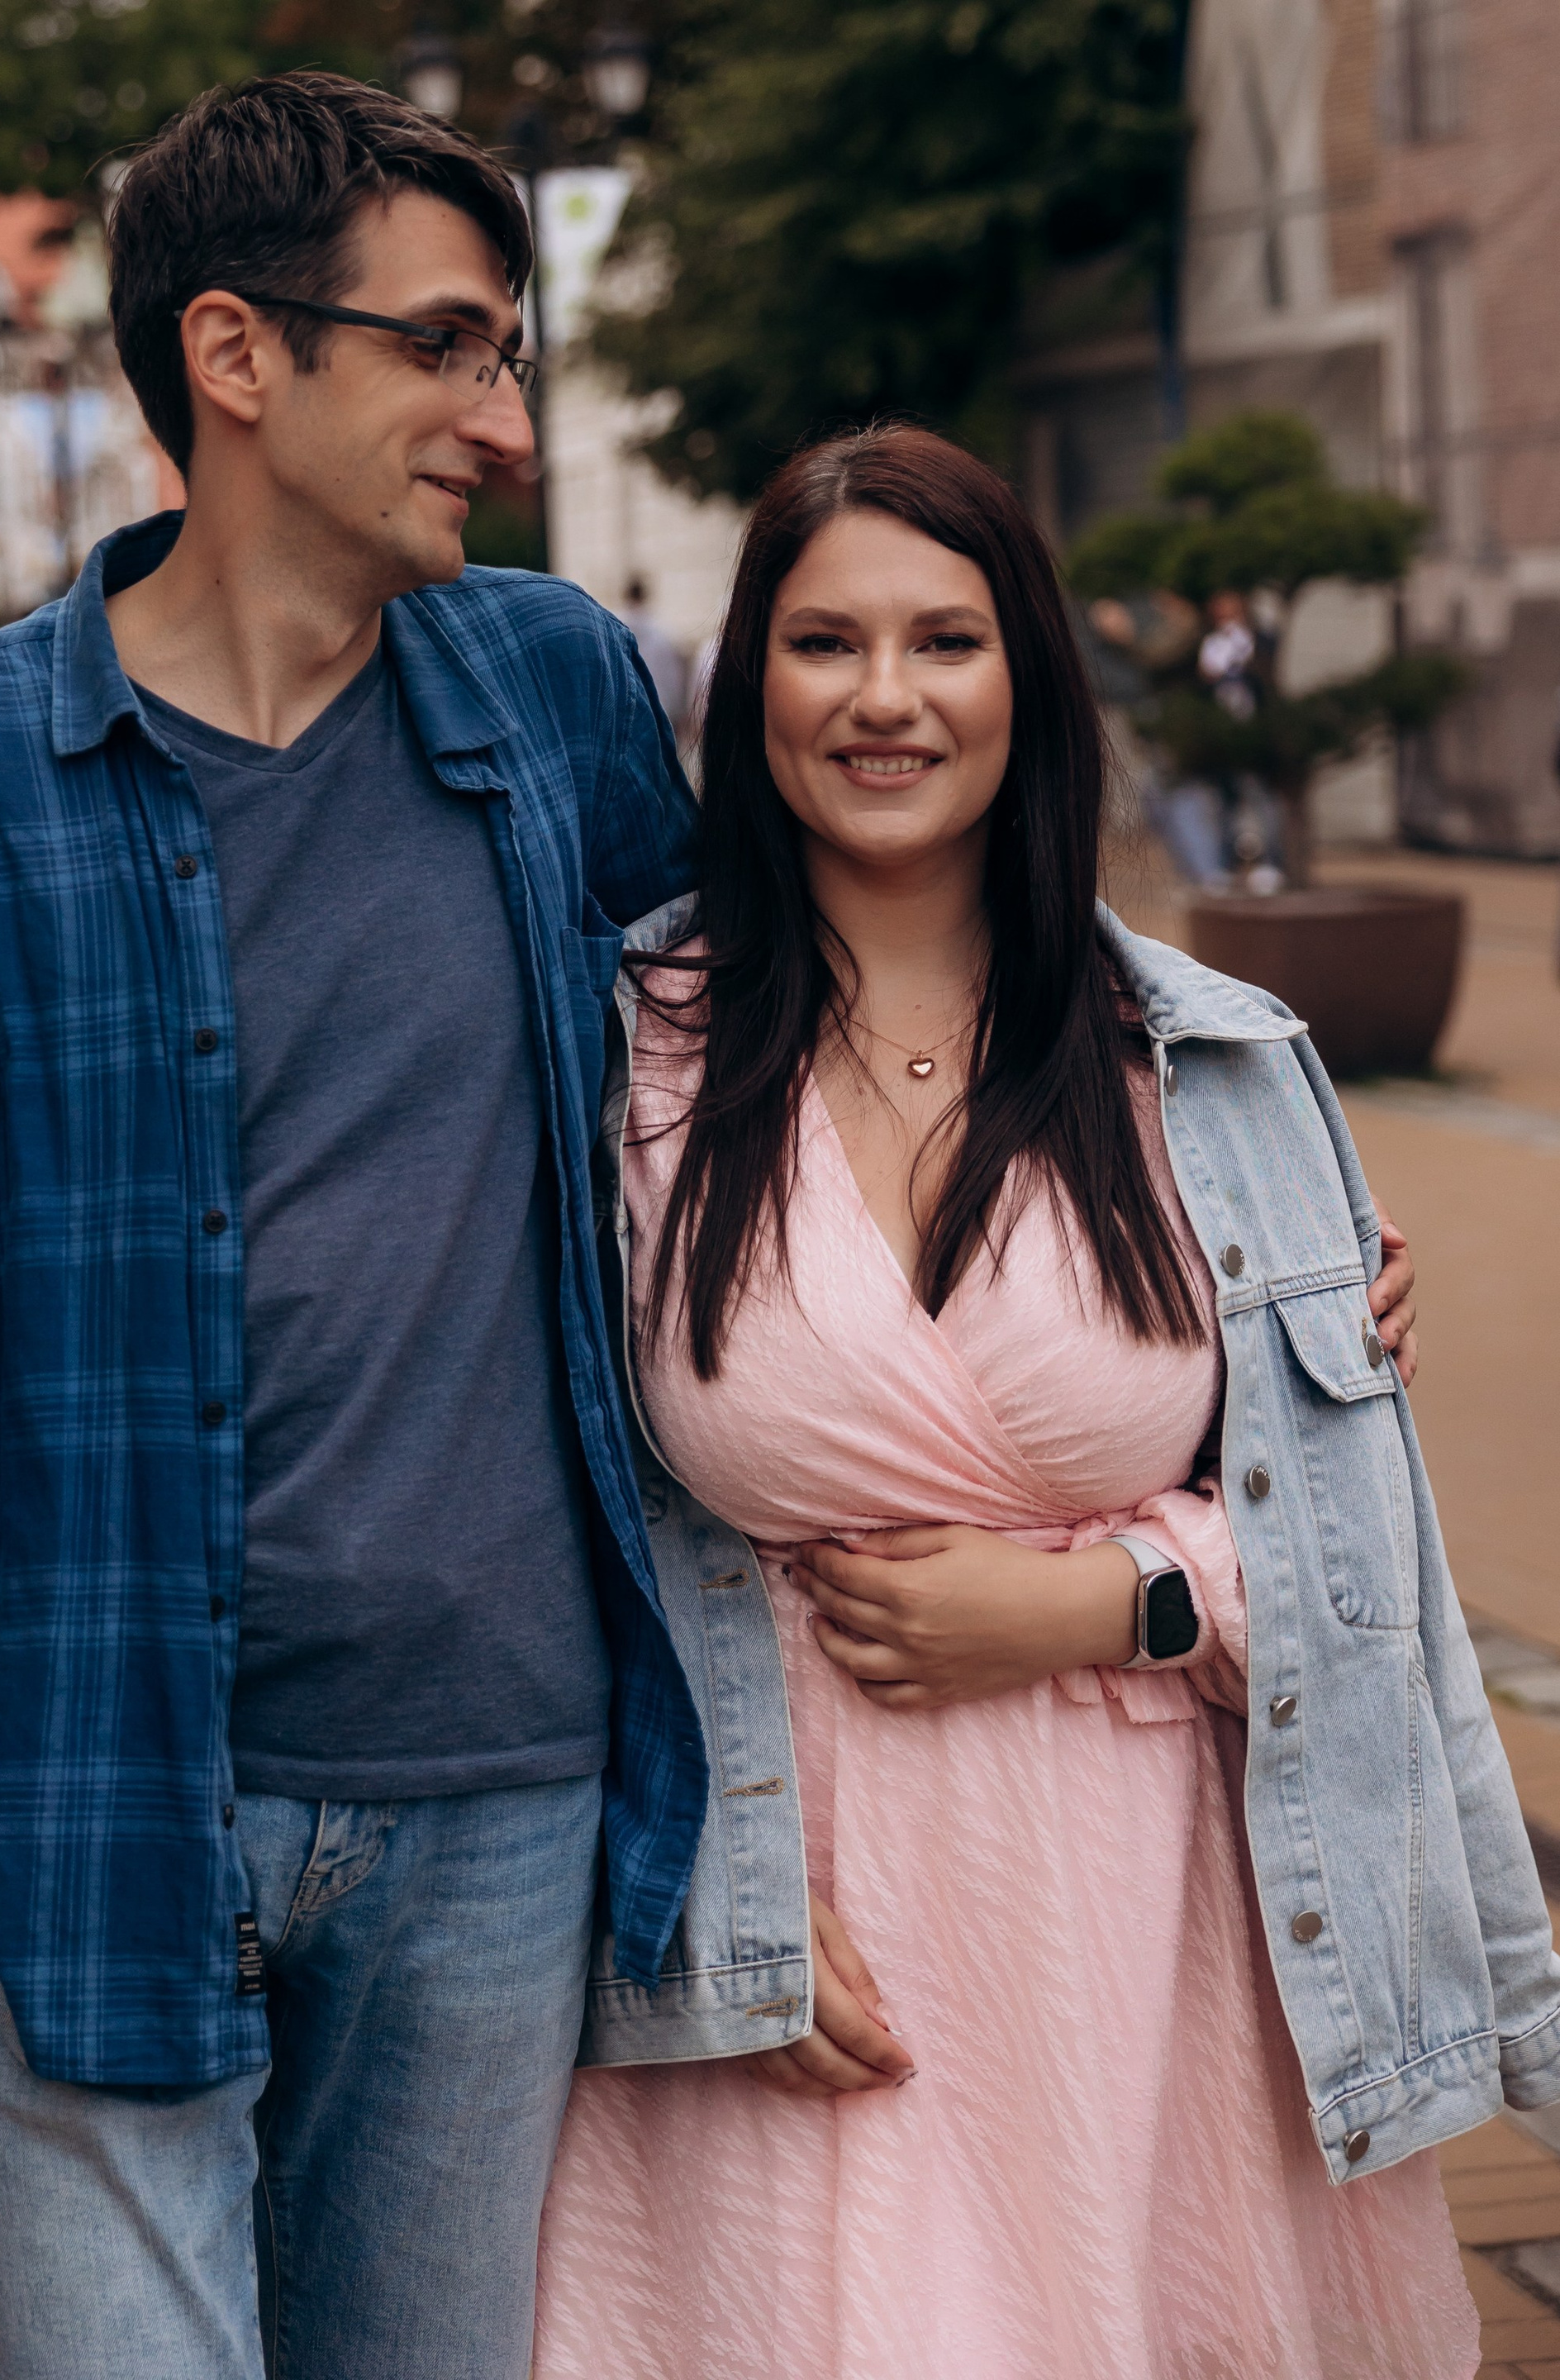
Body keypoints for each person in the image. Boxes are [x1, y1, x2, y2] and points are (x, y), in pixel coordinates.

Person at [0, 74, 698, 2380]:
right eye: (453, 347)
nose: (506, 412)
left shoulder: (557, 690)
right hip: (86, 1805)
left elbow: (805, 1069)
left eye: (511, 352)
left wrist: (1235, 1212)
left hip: (501, 1805)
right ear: (241, 358)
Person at [531, 426, 1553, 2380]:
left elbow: (1358, 1555)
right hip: (783, 1927)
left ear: (1028, 683)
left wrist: (1111, 1596)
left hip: (1144, 1931)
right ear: (750, 683)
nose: (886, 697)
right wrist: (692, 1895)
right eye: (825, 642)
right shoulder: (622, 1053)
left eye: (946, 638)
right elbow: (525, 1509)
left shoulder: (1206, 1066)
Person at [620, 575, 688, 732]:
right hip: (661, 709)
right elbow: (673, 678)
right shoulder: (662, 633)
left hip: (626, 712)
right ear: (645, 596)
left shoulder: (614, 630)